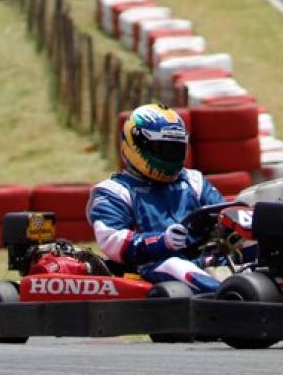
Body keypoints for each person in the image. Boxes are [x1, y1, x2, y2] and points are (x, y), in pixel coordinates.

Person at [86, 103, 226, 293]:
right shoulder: (114, 191)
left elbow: (223, 212)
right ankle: (229, 298)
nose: (170, 157)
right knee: (176, 266)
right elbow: (112, 241)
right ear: (137, 145)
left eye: (175, 149)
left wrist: (228, 222)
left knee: (252, 252)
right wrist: (161, 241)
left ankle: (260, 290)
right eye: (163, 149)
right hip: (150, 265)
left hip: (203, 255)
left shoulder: (194, 181)